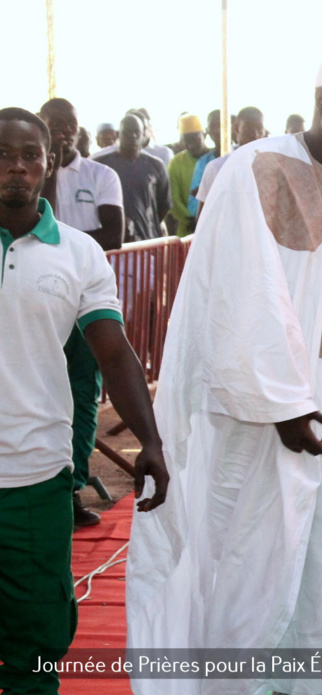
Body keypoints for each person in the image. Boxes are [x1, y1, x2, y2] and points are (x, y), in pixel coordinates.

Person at [125, 44, 322, 695]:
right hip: (265, 428)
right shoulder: (257, 170)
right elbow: (240, 293)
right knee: (250, 589)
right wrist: (282, 400)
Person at [0, 106, 168, 695]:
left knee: (39, 636)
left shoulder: (78, 253)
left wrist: (151, 441)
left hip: (35, 478)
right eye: (2, 155)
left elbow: (115, 355)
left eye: (29, 155)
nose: (15, 167)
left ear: (48, 166)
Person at [38, 98, 126, 527]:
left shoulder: (100, 174)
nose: (62, 131)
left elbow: (114, 233)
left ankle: (70, 489)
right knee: (36, 392)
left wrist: (58, 244)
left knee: (83, 397)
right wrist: (47, 171)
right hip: (35, 305)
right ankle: (37, 488)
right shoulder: (27, 173)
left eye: (68, 124)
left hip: (86, 305)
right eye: (52, 125)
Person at [95, 114, 170, 241]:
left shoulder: (156, 166)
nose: (133, 137)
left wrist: (146, 222)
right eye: (127, 132)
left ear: (144, 135)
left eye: (137, 133)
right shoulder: (101, 165)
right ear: (118, 135)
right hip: (112, 243)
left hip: (148, 242)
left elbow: (163, 206)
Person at [194, 106, 266, 220]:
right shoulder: (216, 168)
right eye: (250, 127)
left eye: (259, 128)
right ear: (236, 128)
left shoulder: (271, 168)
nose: (255, 133)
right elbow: (203, 218)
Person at [166, 114, 208, 237]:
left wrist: (203, 220)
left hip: (213, 226)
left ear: (204, 135)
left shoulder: (214, 159)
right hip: (187, 230)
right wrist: (190, 219)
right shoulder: (176, 163)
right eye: (187, 141)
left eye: (195, 139)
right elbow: (173, 198)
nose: (191, 145)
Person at [91, 108, 173, 166]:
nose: (133, 135)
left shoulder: (162, 156)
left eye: (137, 131)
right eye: (128, 131)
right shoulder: (100, 159)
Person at [185, 110, 222, 226]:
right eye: (213, 127)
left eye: (220, 125)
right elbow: (194, 203)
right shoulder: (203, 163)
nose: (217, 131)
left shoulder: (240, 155)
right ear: (208, 132)